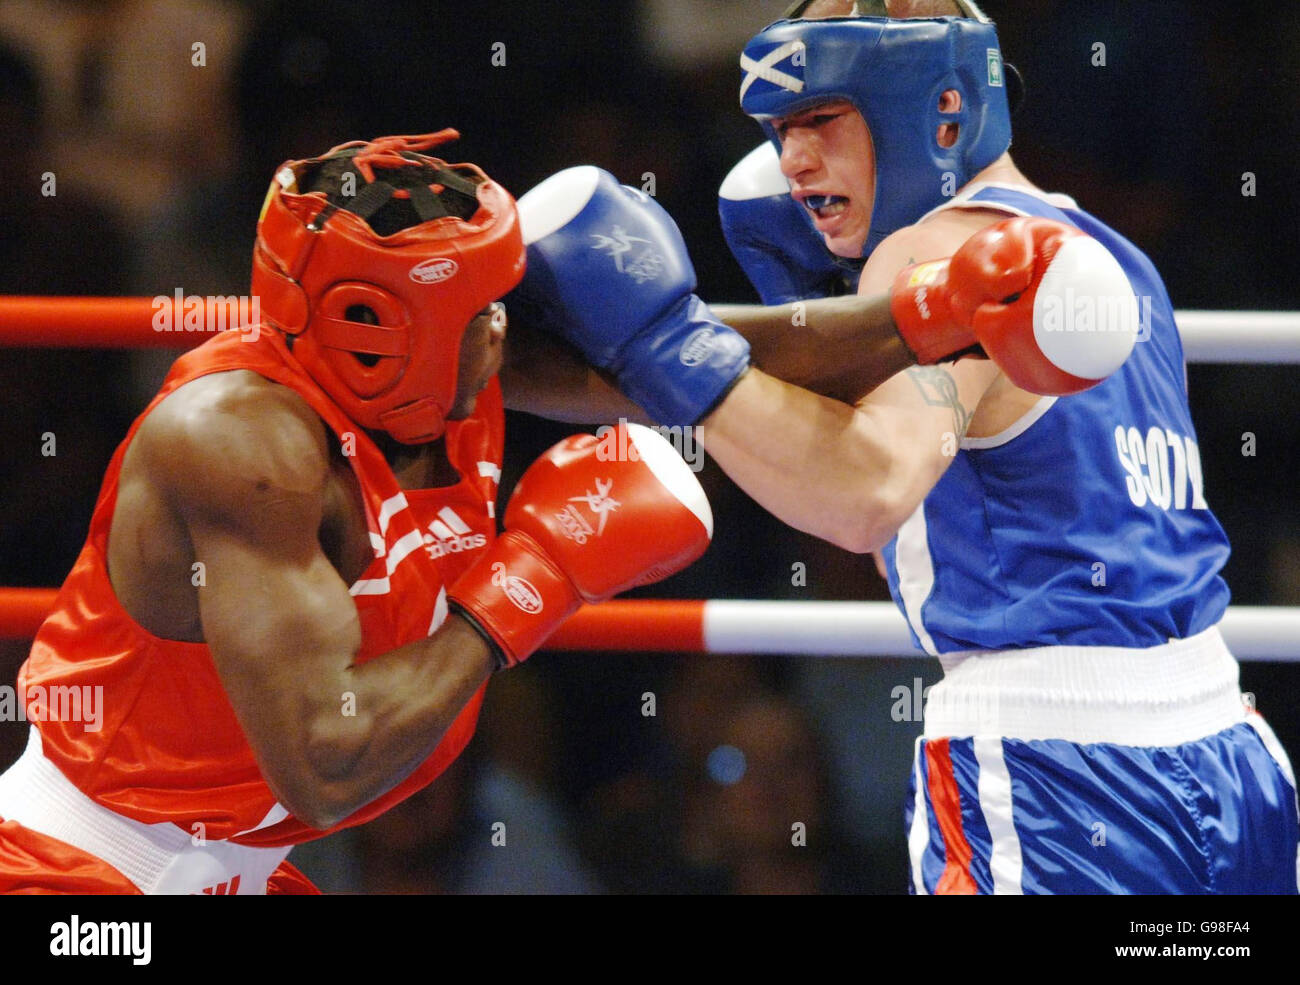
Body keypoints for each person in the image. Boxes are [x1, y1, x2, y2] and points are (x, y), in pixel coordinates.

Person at [506, 0, 1300, 894]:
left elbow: (866, 489)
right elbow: (942, 533)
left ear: (942, 110)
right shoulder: (1112, 260)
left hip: (1053, 771)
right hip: (1228, 755)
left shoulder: (932, 248)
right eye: (777, 131)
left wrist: (663, 345)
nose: (793, 162)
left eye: (820, 120)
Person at [0, 131, 714, 895]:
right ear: (373, 332)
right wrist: (531, 580)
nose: (503, 328)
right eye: (477, 311)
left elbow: (713, 375)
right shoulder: (237, 445)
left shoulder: (447, 385)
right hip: (67, 875)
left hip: (239, 874)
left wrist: (850, 320)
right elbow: (326, 762)